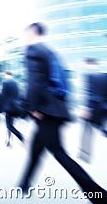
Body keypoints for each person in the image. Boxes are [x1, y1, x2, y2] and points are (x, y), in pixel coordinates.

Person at [18, 23, 107, 203]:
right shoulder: (51, 52)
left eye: (26, 34)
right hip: (56, 108)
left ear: (33, 33)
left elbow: (34, 81)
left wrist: (32, 107)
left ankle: (97, 194)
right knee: (38, 146)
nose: (25, 38)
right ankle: (24, 184)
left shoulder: (33, 50)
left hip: (45, 110)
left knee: (58, 152)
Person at [78, 58, 107, 163]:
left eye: (85, 64)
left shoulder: (89, 76)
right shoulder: (105, 76)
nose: (85, 67)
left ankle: (84, 153)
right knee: (100, 129)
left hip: (94, 108)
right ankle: (84, 153)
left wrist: (86, 109)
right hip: (104, 108)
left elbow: (89, 94)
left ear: (90, 64)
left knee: (87, 129)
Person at [0, 71, 24, 147]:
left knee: (9, 125)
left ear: (6, 75)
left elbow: (3, 96)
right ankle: (9, 141)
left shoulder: (6, 83)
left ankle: (20, 136)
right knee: (10, 125)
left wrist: (1, 108)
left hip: (9, 108)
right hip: (15, 107)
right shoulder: (15, 83)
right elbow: (19, 95)